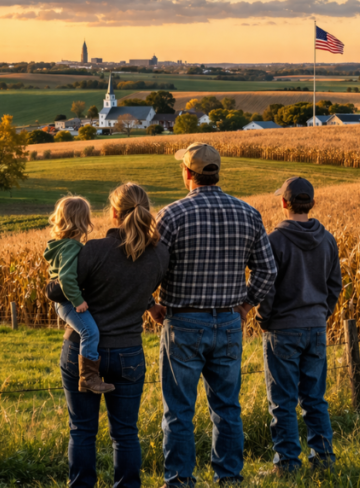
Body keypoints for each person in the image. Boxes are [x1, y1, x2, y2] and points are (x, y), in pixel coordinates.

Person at [150, 143, 277, 487]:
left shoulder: (171, 215)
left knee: (178, 411)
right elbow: (267, 271)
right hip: (229, 322)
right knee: (227, 408)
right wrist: (246, 305)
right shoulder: (248, 213)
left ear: (188, 174)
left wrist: (150, 303)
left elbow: (148, 270)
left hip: (184, 322)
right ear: (217, 172)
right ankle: (230, 478)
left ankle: (179, 480)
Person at [60, 183, 169, 488]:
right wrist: (149, 304)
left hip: (81, 351)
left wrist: (51, 286)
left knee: (82, 430)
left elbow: (60, 289)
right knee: (125, 432)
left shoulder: (93, 250)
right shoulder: (160, 254)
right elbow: (136, 286)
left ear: (114, 213)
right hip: (128, 353)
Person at [257, 177, 340, 475]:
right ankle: (323, 459)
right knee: (315, 398)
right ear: (312, 203)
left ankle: (287, 464)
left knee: (282, 400)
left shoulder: (273, 241)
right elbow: (335, 284)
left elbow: (266, 287)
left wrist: (264, 319)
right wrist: (322, 313)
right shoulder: (328, 239)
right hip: (316, 328)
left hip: (282, 328)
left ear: (283, 203)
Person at [45, 195, 114, 394]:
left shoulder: (63, 244)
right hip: (68, 302)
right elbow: (66, 278)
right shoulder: (70, 247)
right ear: (82, 221)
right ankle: (89, 378)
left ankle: (89, 377)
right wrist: (78, 301)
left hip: (65, 301)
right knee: (89, 332)